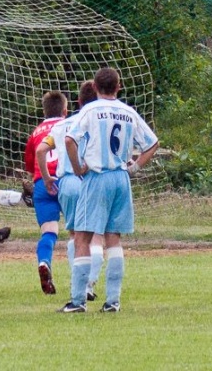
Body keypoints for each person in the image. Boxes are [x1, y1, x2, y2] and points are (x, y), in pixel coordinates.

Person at [60, 67, 159, 313]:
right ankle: (113, 301)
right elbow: (152, 143)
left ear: (94, 87)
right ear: (119, 87)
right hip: (121, 178)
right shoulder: (128, 112)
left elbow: (70, 139)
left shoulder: (90, 110)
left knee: (82, 237)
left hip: (98, 176)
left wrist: (77, 168)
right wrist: (134, 167)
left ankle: (78, 301)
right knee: (113, 238)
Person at [35, 80, 103, 301]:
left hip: (68, 183)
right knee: (96, 234)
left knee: (75, 234)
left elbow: (41, 150)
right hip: (93, 180)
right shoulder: (101, 122)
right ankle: (89, 284)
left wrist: (47, 178)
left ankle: (79, 284)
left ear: (78, 101)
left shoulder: (63, 125)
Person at [24, 91, 69, 295]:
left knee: (49, 232)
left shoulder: (36, 132)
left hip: (43, 183)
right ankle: (84, 282)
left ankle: (44, 261)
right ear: (65, 110)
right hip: (66, 179)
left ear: (44, 111)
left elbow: (30, 165)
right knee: (79, 232)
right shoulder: (70, 125)